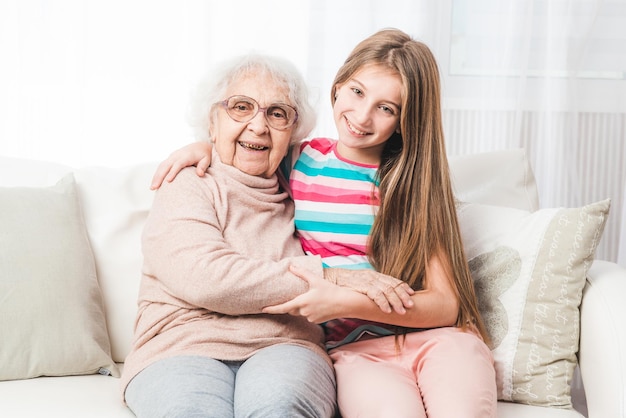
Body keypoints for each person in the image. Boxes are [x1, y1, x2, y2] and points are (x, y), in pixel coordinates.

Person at [152, 29, 497, 418]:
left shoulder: (412, 183)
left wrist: (344, 300)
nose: (363, 116)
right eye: (357, 92)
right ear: (337, 87)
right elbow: (250, 143)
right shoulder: (300, 162)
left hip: (437, 340)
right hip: (356, 352)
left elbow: (446, 304)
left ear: (406, 120)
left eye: (387, 108)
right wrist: (202, 145)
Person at [121, 53, 412, 418]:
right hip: (182, 345)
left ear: (293, 133)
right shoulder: (186, 181)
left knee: (280, 407)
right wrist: (329, 276)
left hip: (287, 344)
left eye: (277, 114)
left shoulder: (300, 179)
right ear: (212, 122)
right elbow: (208, 279)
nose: (258, 126)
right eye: (240, 107)